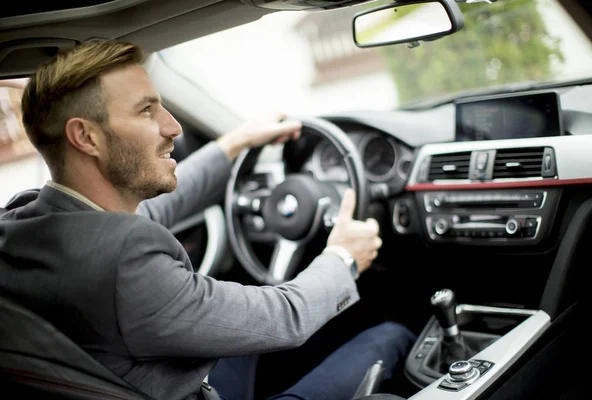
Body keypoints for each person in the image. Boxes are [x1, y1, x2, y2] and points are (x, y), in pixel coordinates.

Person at [0, 40, 416, 400]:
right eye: (147, 111)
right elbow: (286, 317)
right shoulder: (126, 262)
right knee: (393, 336)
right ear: (86, 137)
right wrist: (344, 256)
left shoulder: (23, 220)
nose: (174, 126)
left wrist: (234, 143)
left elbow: (152, 214)